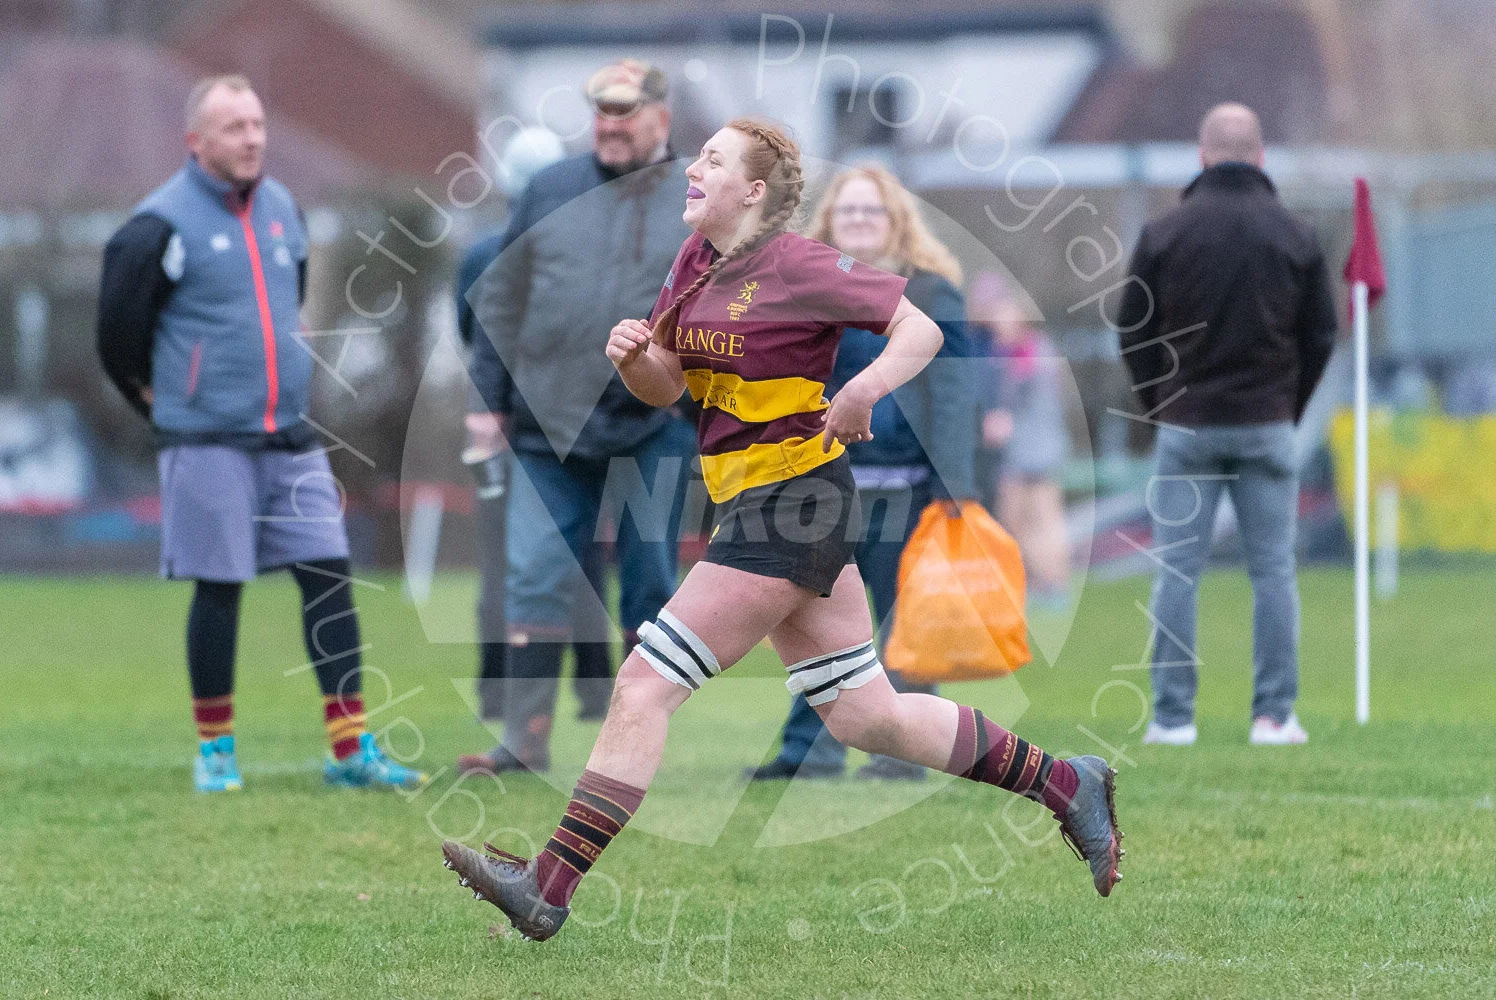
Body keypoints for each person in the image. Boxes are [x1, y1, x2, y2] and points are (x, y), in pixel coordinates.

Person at [441, 118, 1123, 941]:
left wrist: (865, 389)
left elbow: (923, 330)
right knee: (869, 716)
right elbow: (668, 388)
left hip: (794, 506)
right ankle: (1067, 783)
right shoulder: (693, 262)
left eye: (713, 160)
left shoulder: (800, 263)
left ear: (753, 192)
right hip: (763, 506)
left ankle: (547, 886)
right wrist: (633, 361)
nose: (692, 168)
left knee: (646, 683)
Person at [95, 74, 422, 792]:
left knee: (329, 575)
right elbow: (115, 335)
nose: (252, 139)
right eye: (235, 128)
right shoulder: (157, 225)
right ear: (197, 142)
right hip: (204, 439)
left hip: (288, 436)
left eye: (257, 125)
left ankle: (350, 750)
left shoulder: (281, 209)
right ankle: (216, 751)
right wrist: (161, 399)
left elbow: (288, 299)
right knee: (220, 587)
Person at [459, 59, 696, 776]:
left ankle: (631, 749)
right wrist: (485, 404)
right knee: (533, 576)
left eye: (625, 112)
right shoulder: (549, 189)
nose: (610, 125)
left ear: (661, 116)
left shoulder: (694, 197)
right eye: (601, 111)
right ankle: (523, 741)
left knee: (651, 586)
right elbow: (499, 302)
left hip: (655, 425)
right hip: (544, 428)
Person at [745, 163, 979, 783]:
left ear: (895, 219)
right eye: (847, 211)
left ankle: (900, 756)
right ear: (830, 221)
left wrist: (956, 489)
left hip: (908, 486)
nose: (858, 221)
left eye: (870, 211)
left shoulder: (933, 293)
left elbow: (954, 396)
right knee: (816, 621)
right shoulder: (809, 295)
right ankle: (808, 754)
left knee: (906, 625)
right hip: (824, 485)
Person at [1116, 103, 1337, 747]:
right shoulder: (1296, 235)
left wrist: (1159, 400)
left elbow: (1133, 327)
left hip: (1187, 424)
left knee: (1177, 572)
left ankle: (1173, 718)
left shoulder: (1165, 234)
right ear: (1262, 157)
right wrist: (1288, 406)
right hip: (1267, 423)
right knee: (1273, 572)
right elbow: (1321, 332)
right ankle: (1273, 715)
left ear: (1203, 155)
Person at [453, 127, 615, 734]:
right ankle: (595, 692)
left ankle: (500, 695)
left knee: (511, 566)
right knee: (583, 561)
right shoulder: (581, 247)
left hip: (518, 426)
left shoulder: (481, 253)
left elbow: (474, 335)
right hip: (563, 424)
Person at [968, 271, 1073, 609]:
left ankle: (1049, 587)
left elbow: (1018, 401)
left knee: (1030, 520)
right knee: (1032, 520)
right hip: (1044, 447)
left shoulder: (1024, 353)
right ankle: (1045, 585)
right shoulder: (1037, 348)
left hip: (1028, 451)